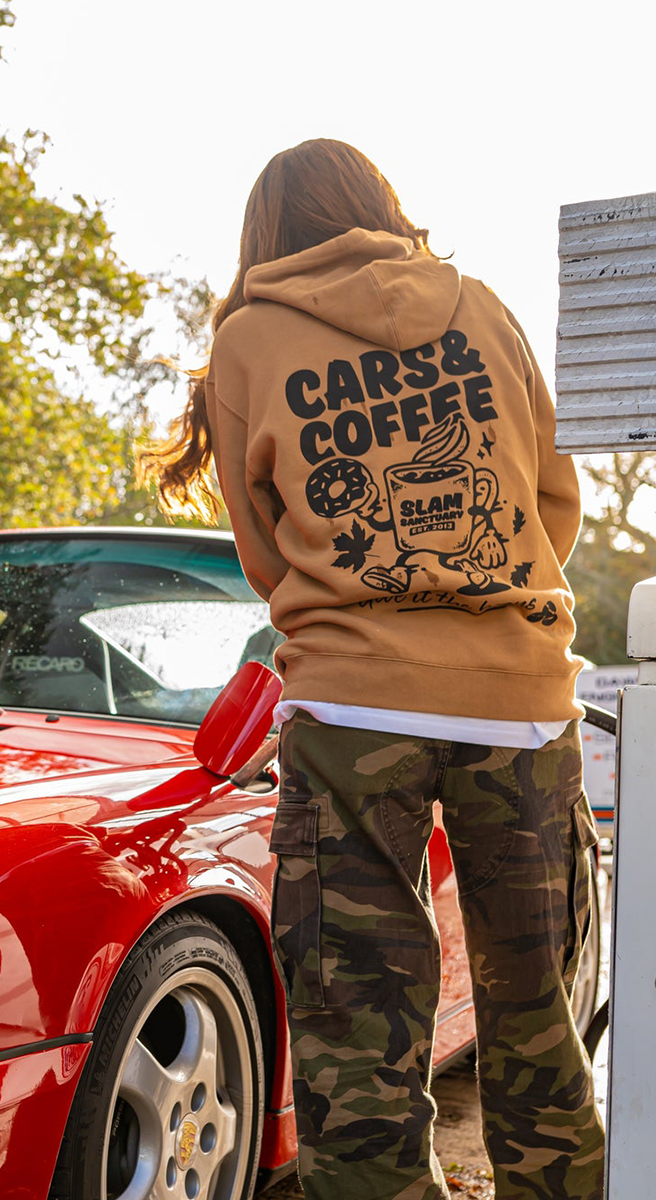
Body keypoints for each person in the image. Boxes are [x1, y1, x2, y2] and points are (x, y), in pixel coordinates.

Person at [142, 139, 603, 1199]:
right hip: (520, 703)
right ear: (379, 205)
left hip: (352, 709)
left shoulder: (250, 343)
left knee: (358, 1036)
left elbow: (265, 559)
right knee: (536, 1021)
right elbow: (555, 503)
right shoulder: (481, 306)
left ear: (265, 233)